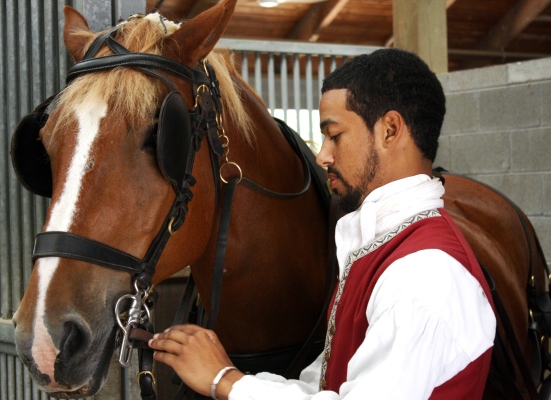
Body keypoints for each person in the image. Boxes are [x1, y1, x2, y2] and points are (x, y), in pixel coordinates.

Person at [148, 48, 496, 400]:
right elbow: (326, 386)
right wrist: (217, 369)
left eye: (335, 135)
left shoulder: (424, 274)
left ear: (390, 130)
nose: (322, 156)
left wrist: (225, 381)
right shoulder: (380, 246)